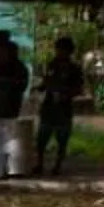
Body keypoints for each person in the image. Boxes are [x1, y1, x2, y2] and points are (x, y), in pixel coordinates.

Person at [35, 34, 83, 176]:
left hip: (63, 107)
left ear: (69, 51)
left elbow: (78, 89)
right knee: (41, 138)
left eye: (62, 50)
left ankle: (57, 165)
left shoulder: (74, 69)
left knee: (62, 139)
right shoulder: (52, 64)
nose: (59, 52)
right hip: (49, 106)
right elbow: (46, 82)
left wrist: (65, 94)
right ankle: (39, 164)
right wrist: (40, 87)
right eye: (58, 49)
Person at [0, 32, 29, 123]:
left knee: (5, 126)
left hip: (9, 103)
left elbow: (20, 83)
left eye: (2, 51)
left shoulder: (17, 66)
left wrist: (0, 81)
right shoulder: (0, 65)